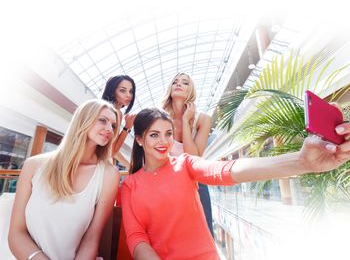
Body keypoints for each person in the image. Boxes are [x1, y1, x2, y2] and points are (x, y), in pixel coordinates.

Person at [121, 107, 350, 260]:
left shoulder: (185, 164)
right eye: (154, 135)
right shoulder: (130, 185)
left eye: (168, 134)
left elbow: (226, 171)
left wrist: (301, 162)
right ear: (139, 139)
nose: (164, 142)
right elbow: (137, 238)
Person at [8, 99, 120, 260]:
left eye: (113, 125)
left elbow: (91, 239)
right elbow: (16, 234)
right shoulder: (33, 166)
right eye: (103, 120)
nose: (110, 129)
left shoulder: (109, 175)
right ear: (83, 120)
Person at [162, 72, 214, 235]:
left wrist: (186, 121)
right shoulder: (160, 118)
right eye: (175, 81)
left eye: (184, 82)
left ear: (190, 90)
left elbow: (194, 157)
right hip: (167, 183)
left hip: (196, 183)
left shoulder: (203, 119)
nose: (178, 84)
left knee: (202, 232)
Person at [102, 75, 137, 168]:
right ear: (113, 91)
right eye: (122, 90)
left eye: (131, 91)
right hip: (98, 166)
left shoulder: (104, 108)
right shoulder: (115, 112)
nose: (128, 95)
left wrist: (130, 166)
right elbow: (112, 152)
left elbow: (111, 148)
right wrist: (127, 128)